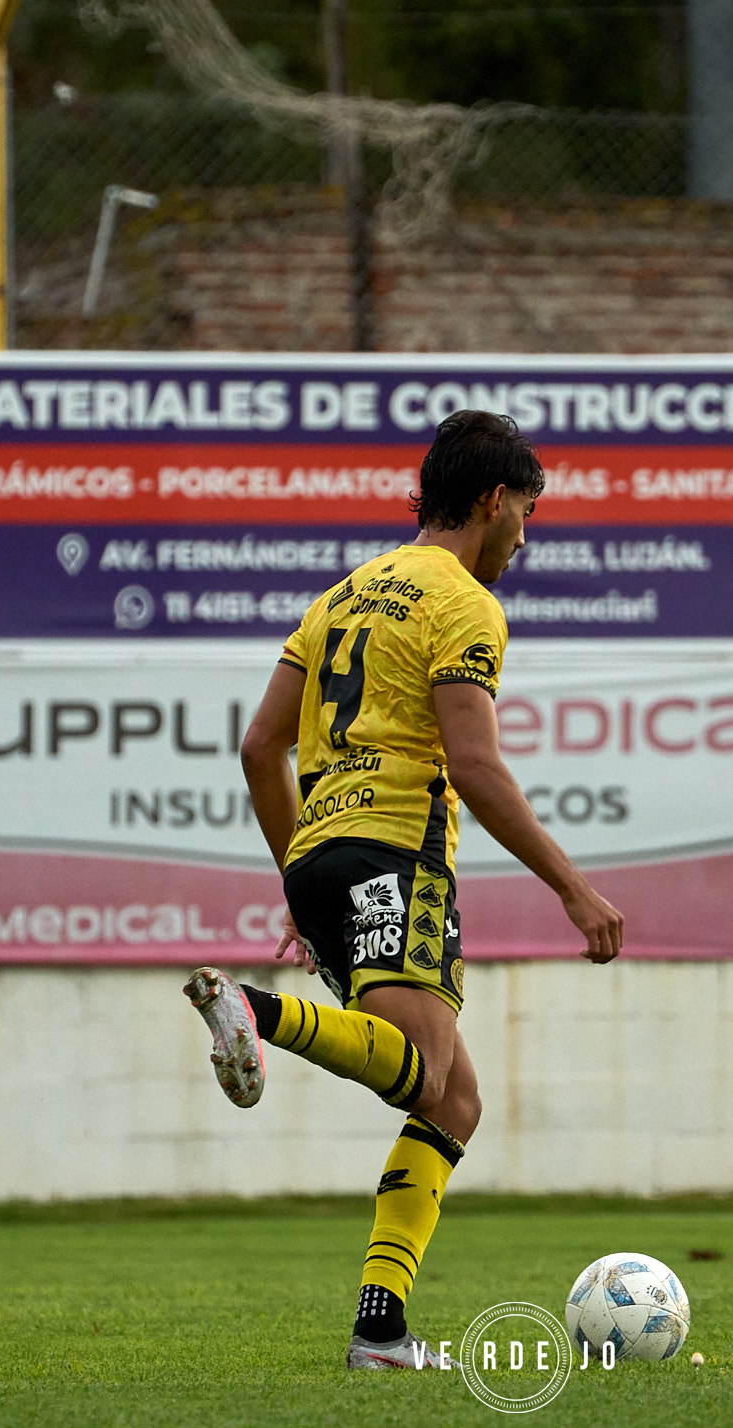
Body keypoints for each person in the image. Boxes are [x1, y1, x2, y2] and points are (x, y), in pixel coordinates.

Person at [183, 409, 625, 1370]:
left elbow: (262, 746)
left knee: (452, 1097)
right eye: (528, 515)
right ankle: (259, 1013)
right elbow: (473, 763)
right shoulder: (463, 601)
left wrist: (302, 878)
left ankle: (380, 1332)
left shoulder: (340, 595)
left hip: (318, 853)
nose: (524, 538)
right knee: (429, 1075)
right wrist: (574, 889)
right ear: (495, 500)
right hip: (398, 852)